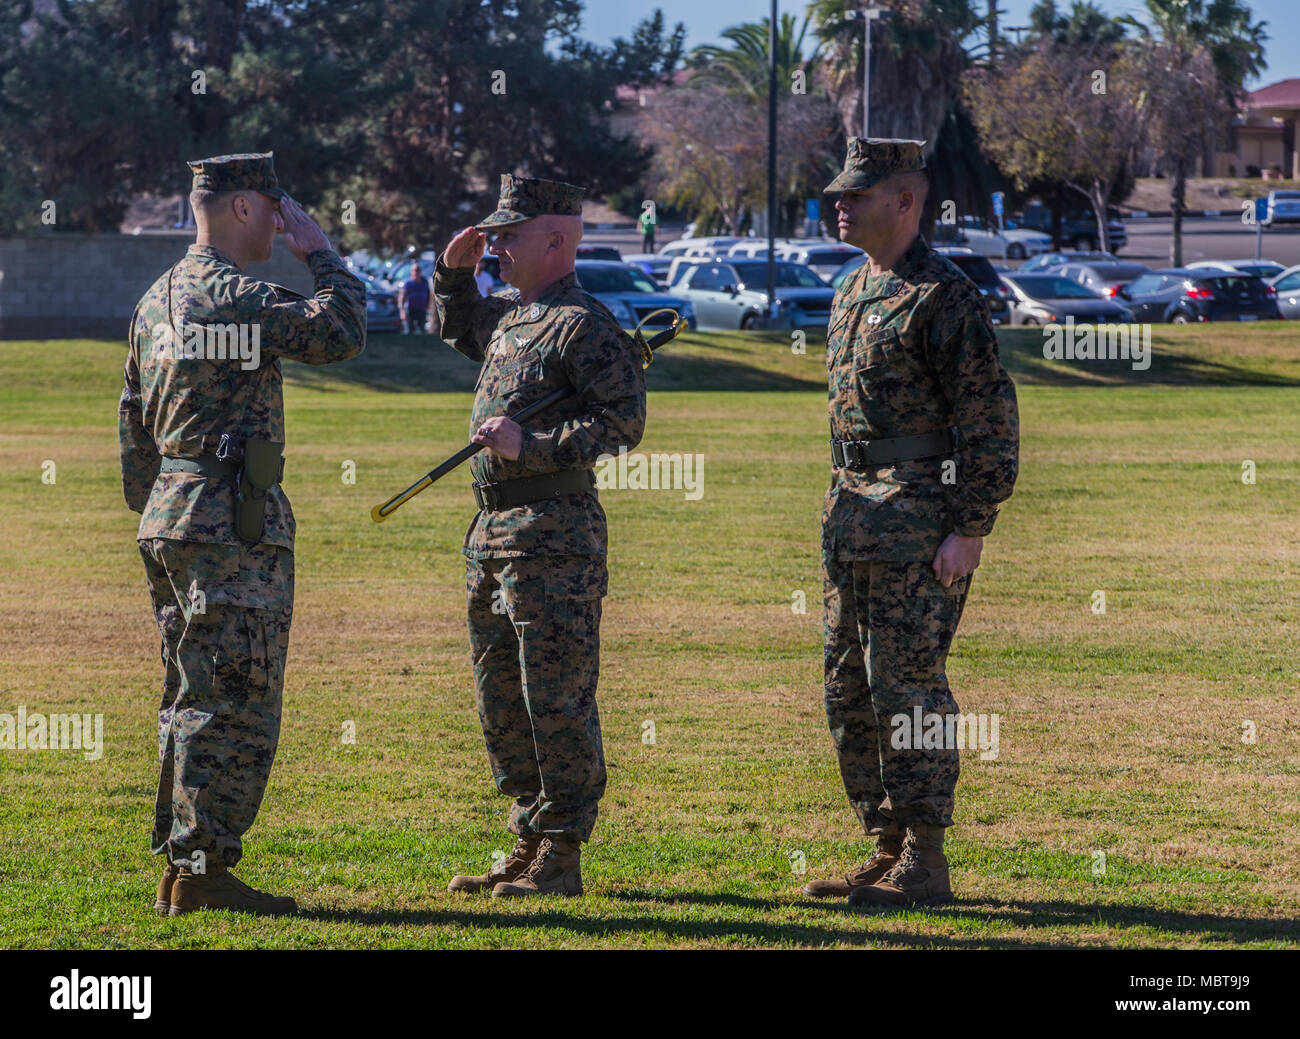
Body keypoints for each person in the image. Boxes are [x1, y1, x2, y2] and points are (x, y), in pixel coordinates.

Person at [118, 152, 366, 916]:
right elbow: (343, 330)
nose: (284, 217)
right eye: (276, 204)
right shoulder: (234, 296)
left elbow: (133, 425)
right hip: (229, 521)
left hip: (172, 513)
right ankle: (202, 868)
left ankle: (185, 860)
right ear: (244, 209)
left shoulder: (157, 299)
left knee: (191, 691)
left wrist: (161, 504)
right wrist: (321, 252)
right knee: (237, 691)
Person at [803, 138, 1019, 907]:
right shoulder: (851, 288)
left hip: (920, 525)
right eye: (838, 194)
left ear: (904, 202)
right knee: (847, 689)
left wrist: (972, 524)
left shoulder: (944, 294)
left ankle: (925, 858)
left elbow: (988, 418)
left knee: (908, 689)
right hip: (852, 519)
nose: (839, 205)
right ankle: (884, 842)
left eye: (855, 195)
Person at [434, 174, 646, 898]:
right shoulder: (515, 317)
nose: (495, 245)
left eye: (509, 234)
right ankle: (528, 834)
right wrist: (451, 279)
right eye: (492, 233)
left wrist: (536, 444)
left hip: (554, 535)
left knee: (554, 694)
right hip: (491, 532)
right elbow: (465, 331)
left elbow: (621, 425)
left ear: (555, 239)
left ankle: (562, 848)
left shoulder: (584, 324)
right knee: (503, 696)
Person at [399, 263, 430, 333]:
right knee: (410, 330)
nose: (416, 272)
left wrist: (427, 306)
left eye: (418, 270)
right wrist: (402, 311)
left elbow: (428, 294)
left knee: (422, 330)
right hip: (410, 310)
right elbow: (402, 298)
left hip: (421, 309)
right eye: (414, 270)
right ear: (411, 272)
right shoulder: (407, 283)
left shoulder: (425, 282)